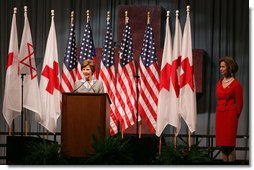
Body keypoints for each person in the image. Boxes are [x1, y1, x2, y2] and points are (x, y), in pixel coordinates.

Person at [216, 56, 243, 162]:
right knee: (222, 145)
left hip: (230, 116)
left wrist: (234, 116)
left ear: (229, 68)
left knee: (230, 145)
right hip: (220, 115)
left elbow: (240, 104)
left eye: (223, 66)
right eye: (220, 67)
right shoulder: (219, 83)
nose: (221, 69)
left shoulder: (236, 84)